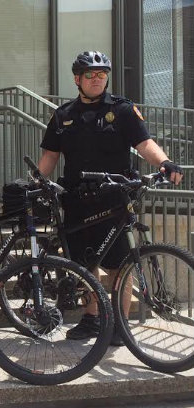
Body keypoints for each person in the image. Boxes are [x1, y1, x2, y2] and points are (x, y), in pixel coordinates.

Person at [37, 51, 183, 346]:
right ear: (77, 79)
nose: (96, 79)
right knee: (84, 264)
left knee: (120, 264)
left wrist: (164, 163)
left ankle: (118, 322)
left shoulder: (123, 110)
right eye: (89, 75)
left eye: (101, 74)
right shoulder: (63, 115)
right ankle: (91, 318)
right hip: (77, 200)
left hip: (114, 199)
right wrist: (36, 184)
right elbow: (50, 156)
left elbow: (144, 143)